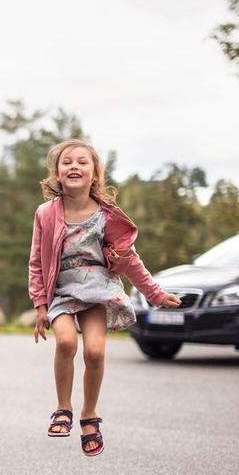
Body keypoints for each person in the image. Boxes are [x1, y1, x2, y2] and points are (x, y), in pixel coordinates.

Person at [28, 138, 182, 457]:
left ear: (95, 174)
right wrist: (40, 304)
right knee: (67, 342)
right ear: (56, 173)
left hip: (98, 290)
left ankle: (89, 414)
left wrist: (154, 293)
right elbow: (35, 262)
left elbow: (130, 259)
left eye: (82, 162)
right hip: (61, 289)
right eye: (67, 161)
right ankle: (63, 407)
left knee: (95, 352)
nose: (74, 166)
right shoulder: (45, 213)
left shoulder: (107, 216)